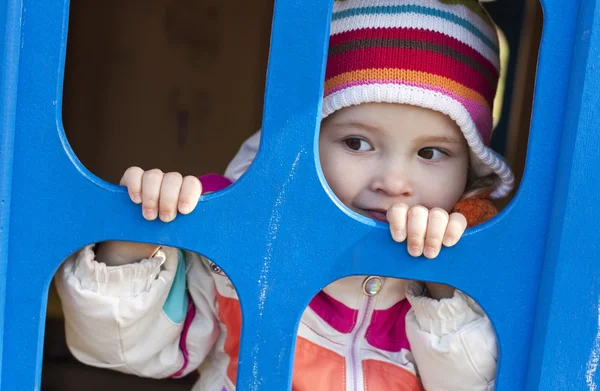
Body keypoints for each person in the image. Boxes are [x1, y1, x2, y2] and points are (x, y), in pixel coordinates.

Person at [55, 0, 514, 390]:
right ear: (303, 143)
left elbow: (480, 381)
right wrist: (134, 245)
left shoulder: (479, 266)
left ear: (468, 168)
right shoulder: (240, 235)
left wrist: (445, 283)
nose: (394, 182)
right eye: (356, 143)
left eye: (431, 153)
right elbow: (123, 352)